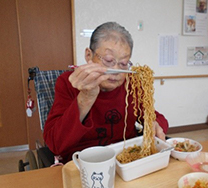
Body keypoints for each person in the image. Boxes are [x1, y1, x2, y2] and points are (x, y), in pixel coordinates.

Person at [43, 22, 169, 163]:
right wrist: (86, 97)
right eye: (109, 61)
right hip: (82, 161)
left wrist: (155, 123)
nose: (115, 70)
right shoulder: (68, 82)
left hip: (126, 157)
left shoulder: (132, 83)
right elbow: (55, 143)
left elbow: (155, 116)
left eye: (123, 63)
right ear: (89, 55)